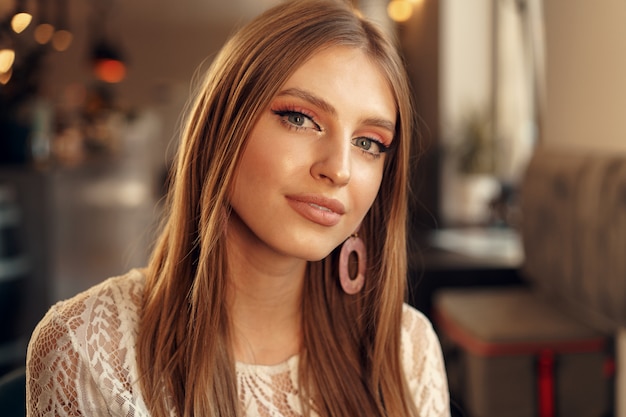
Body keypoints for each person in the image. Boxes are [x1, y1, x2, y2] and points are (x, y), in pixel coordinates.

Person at [26, 0, 451, 416]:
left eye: (368, 143)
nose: (339, 169)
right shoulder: (84, 349)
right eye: (300, 118)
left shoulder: (406, 347)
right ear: (222, 125)